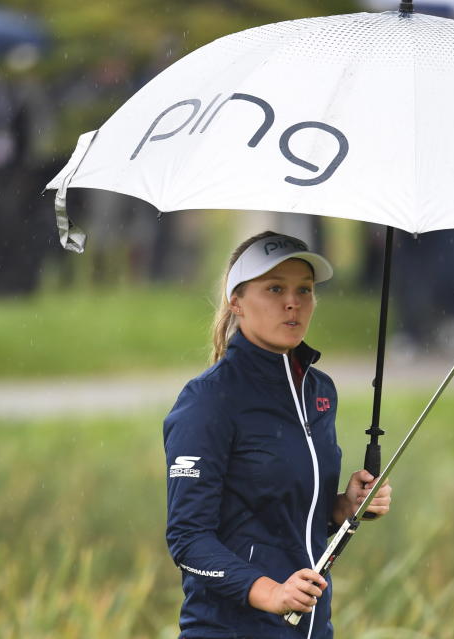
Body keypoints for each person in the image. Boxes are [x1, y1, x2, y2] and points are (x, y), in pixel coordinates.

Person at [163, 231, 392, 639]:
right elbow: (188, 539)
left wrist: (343, 507)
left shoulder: (319, 390)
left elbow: (289, 514)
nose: (293, 302)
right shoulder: (208, 400)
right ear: (237, 301)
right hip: (228, 629)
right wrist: (269, 592)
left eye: (304, 289)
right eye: (274, 288)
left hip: (311, 628)